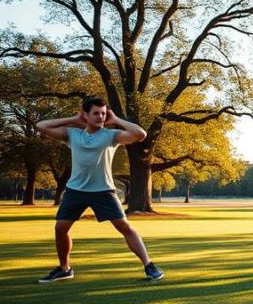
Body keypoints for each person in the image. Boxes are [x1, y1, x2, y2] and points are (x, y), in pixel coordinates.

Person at [34, 97, 164, 282]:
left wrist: (116, 120)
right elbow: (41, 125)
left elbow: (140, 134)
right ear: (86, 115)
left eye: (103, 113)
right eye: (96, 113)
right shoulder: (72, 134)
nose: (101, 117)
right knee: (60, 228)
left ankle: (149, 266)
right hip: (75, 191)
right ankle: (65, 269)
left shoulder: (112, 136)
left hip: (103, 191)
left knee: (125, 227)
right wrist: (72, 119)